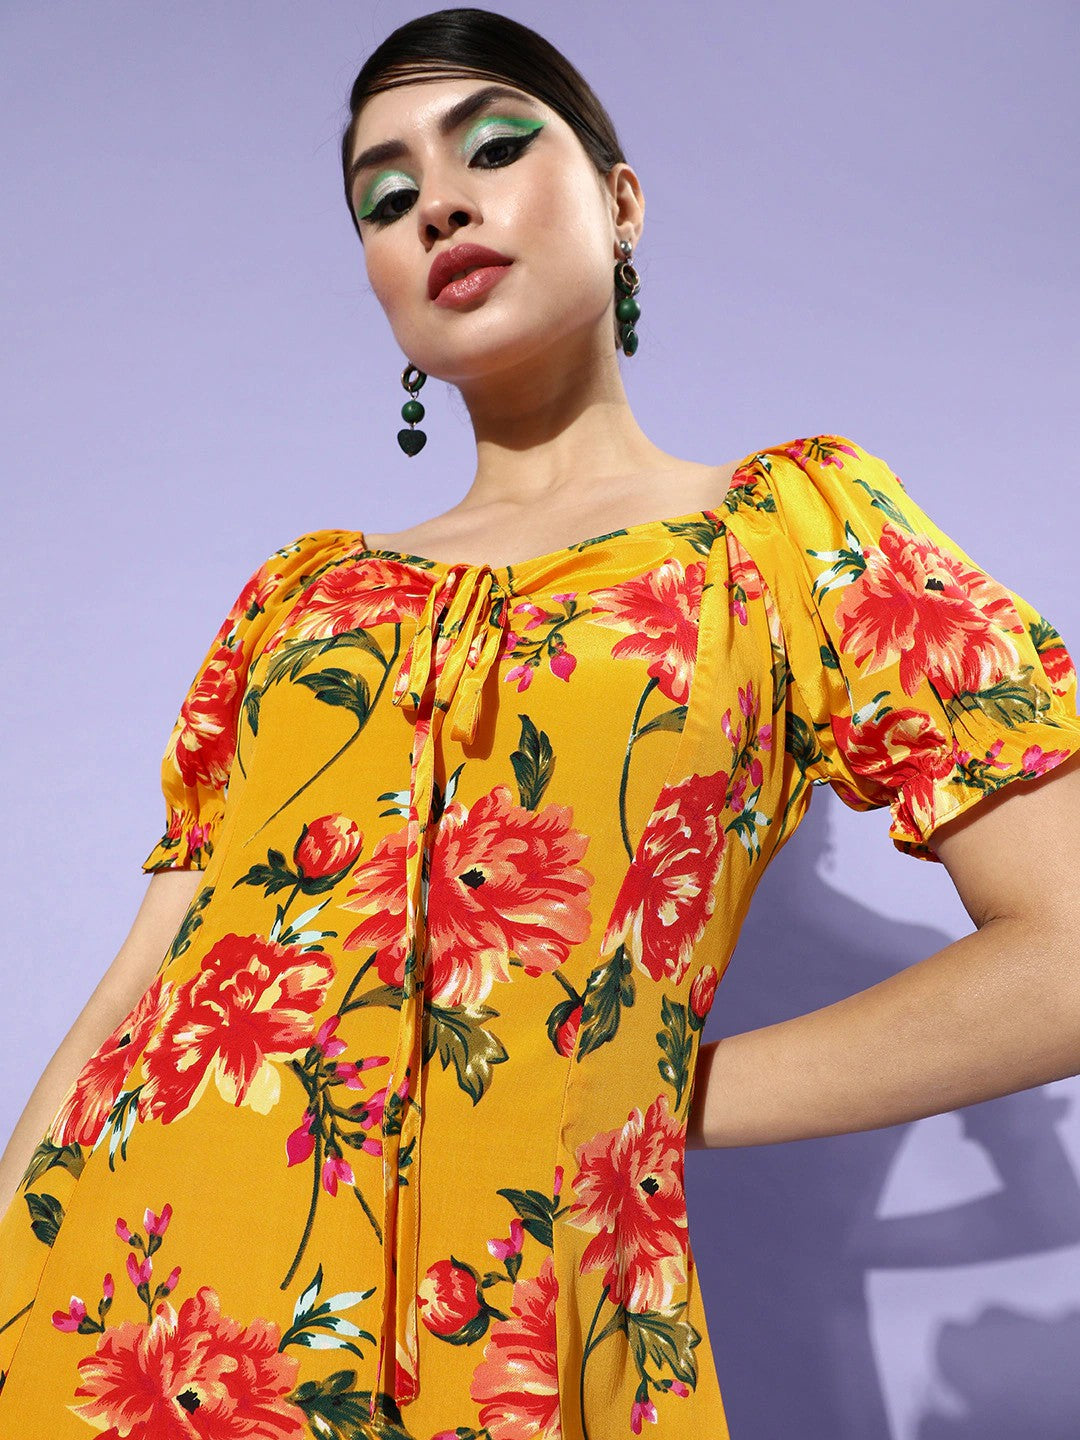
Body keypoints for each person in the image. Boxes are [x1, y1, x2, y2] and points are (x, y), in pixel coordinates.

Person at [1, 8, 1079, 1438]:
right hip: (129, 1307)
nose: (436, 203)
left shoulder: (788, 537)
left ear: (621, 202)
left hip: (508, 1314)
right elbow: (140, 986)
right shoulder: (299, 601)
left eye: (494, 147)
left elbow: (1068, 951)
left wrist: (657, 1095)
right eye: (386, 196)